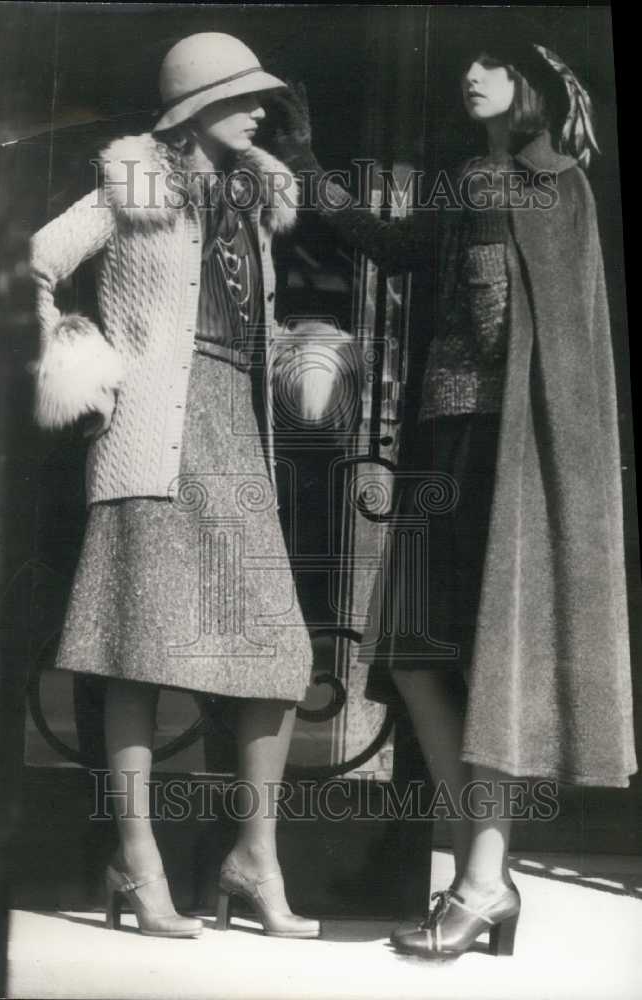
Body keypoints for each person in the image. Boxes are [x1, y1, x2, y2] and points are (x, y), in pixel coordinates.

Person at [269, 33, 638, 958]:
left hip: (506, 454)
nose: (468, 74)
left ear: (530, 86)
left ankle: (479, 880)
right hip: (443, 445)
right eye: (463, 63)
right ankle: (489, 877)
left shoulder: (558, 189)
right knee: (420, 658)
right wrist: (310, 168)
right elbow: (390, 245)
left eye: (490, 64)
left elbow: (566, 358)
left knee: (489, 665)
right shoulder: (471, 183)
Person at [29, 33, 322, 939]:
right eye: (243, 95)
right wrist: (79, 359)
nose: (262, 109)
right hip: (150, 438)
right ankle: (138, 859)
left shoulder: (253, 202)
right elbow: (32, 263)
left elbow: (252, 331)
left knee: (277, 656)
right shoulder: (131, 187)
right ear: (193, 108)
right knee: (139, 651)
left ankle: (254, 860)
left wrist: (306, 355)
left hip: (235, 436)